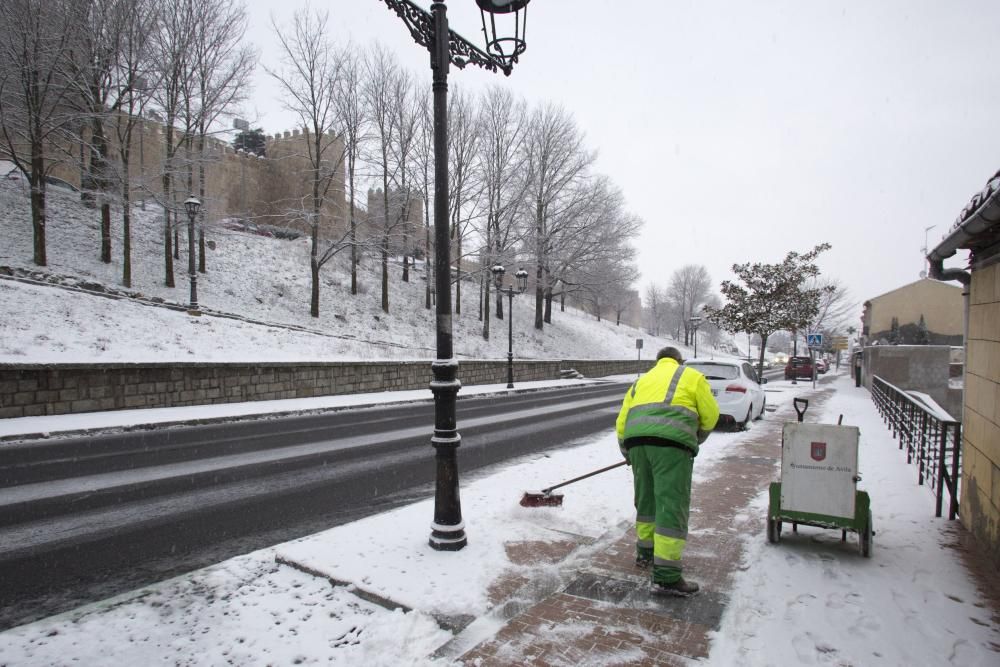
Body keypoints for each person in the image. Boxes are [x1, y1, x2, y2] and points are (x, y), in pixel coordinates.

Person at [615, 346, 719, 596]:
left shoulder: (641, 381)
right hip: (672, 448)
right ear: (678, 360)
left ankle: (645, 554)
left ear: (658, 361)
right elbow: (711, 415)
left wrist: (628, 452)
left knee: (647, 501)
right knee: (670, 504)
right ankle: (667, 575)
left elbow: (622, 421)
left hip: (637, 443)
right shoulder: (692, 376)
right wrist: (696, 437)